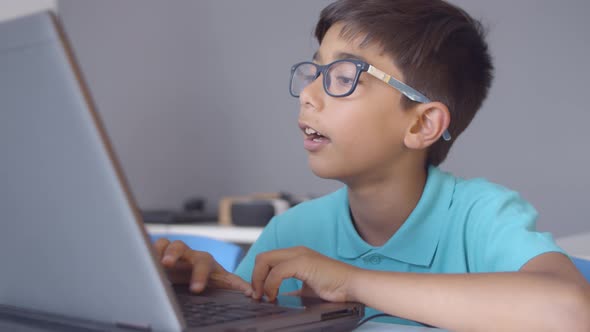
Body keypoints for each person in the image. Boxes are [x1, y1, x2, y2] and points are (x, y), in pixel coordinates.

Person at [153, 0, 590, 330]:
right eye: (315, 72)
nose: (309, 94)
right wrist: (201, 292)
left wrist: (352, 281)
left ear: (422, 124)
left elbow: (569, 311)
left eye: (343, 78)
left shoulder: (481, 217)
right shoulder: (293, 233)